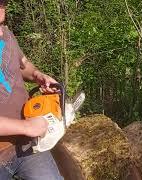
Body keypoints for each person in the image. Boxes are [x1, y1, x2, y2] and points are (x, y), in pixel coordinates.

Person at [0, 1, 63, 179]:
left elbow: (23, 65)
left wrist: (37, 74)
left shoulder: (6, 35)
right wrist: (27, 126)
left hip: (27, 144)